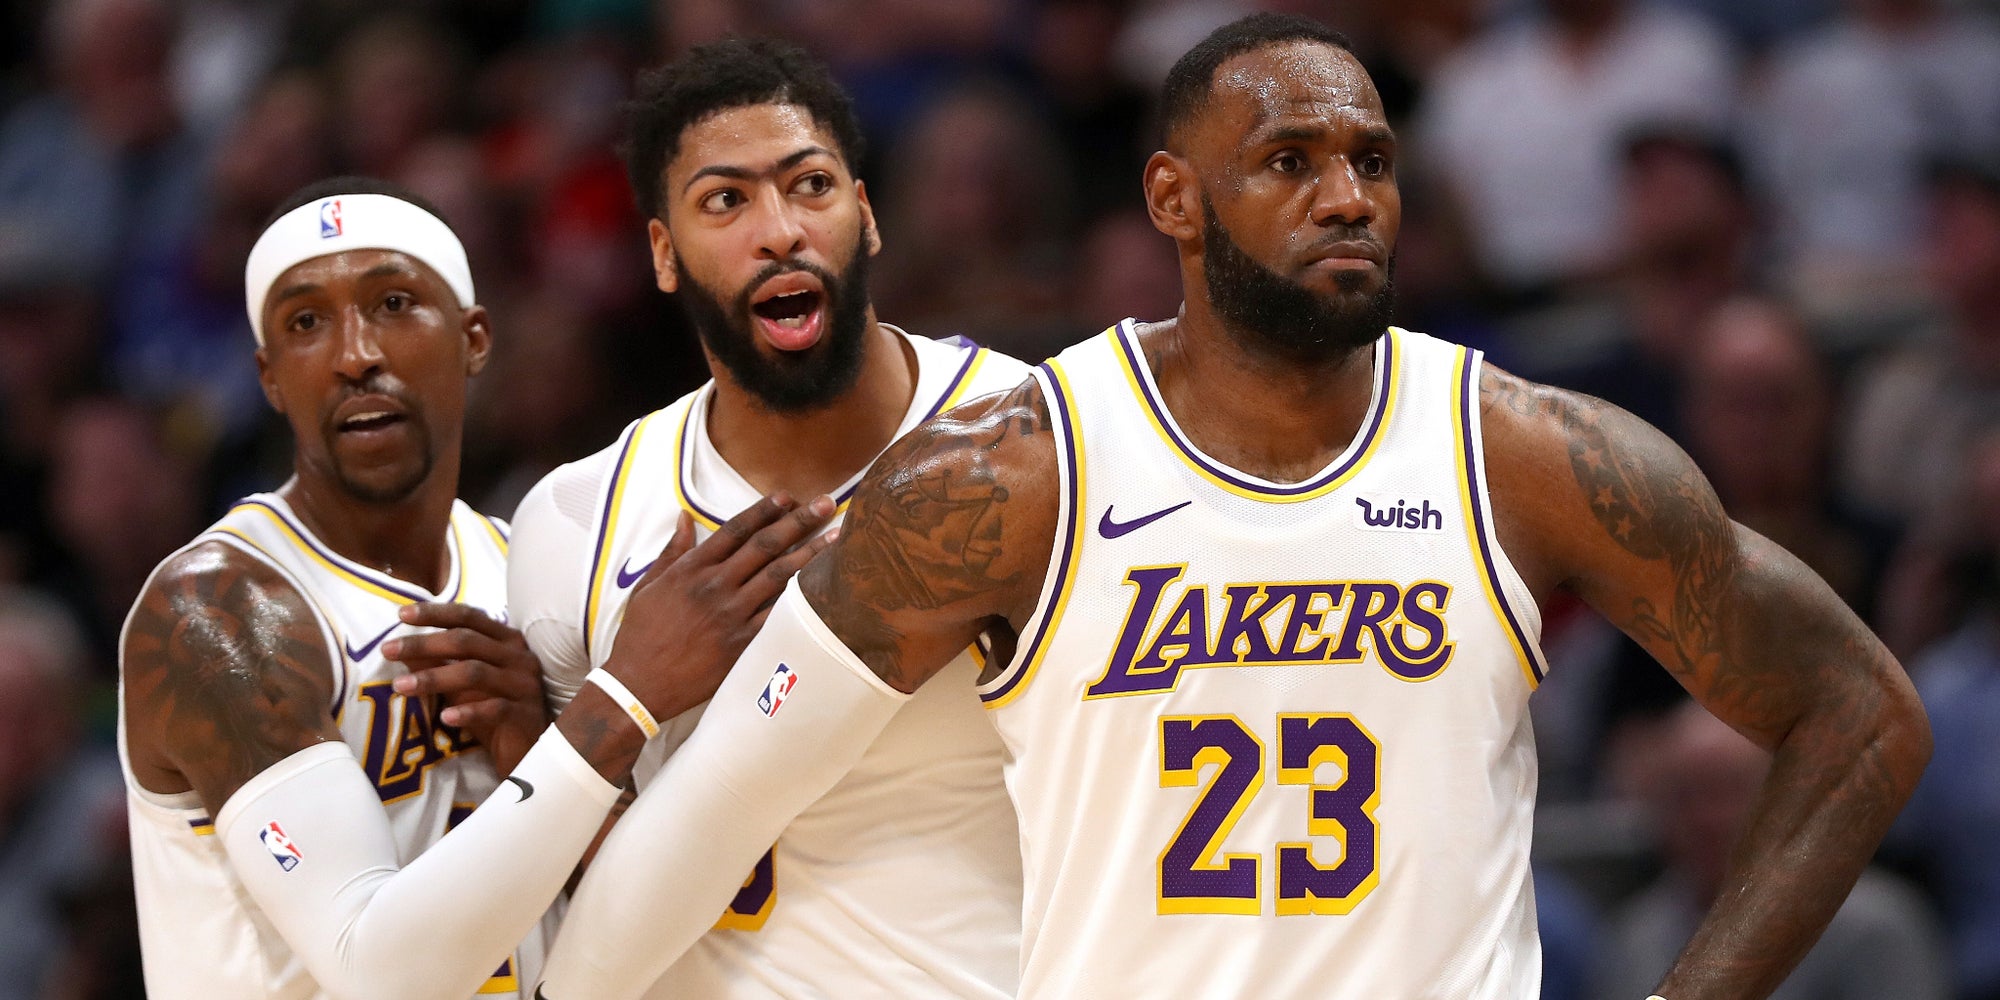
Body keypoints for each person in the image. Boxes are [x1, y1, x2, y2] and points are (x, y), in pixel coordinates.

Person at [540, 14, 1932, 999]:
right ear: (1175, 199)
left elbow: (1862, 713)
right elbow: (714, 818)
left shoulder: (1526, 453)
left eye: (1373, 163)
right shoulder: (1002, 476)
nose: (1347, 200)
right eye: (1289, 164)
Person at [117, 176, 830, 1000]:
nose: (356, 355)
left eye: (392, 303)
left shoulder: (521, 567)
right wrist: (621, 700)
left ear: (475, 338)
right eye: (306, 324)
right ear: (271, 376)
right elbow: (377, 973)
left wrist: (540, 742)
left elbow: (657, 925)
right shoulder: (220, 610)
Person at [508, 38, 1031, 997]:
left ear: (866, 217)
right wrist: (557, 731)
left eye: (811, 186)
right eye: (726, 201)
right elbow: (584, 870)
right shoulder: (573, 522)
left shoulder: (1035, 441)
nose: (780, 229)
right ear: (662, 253)